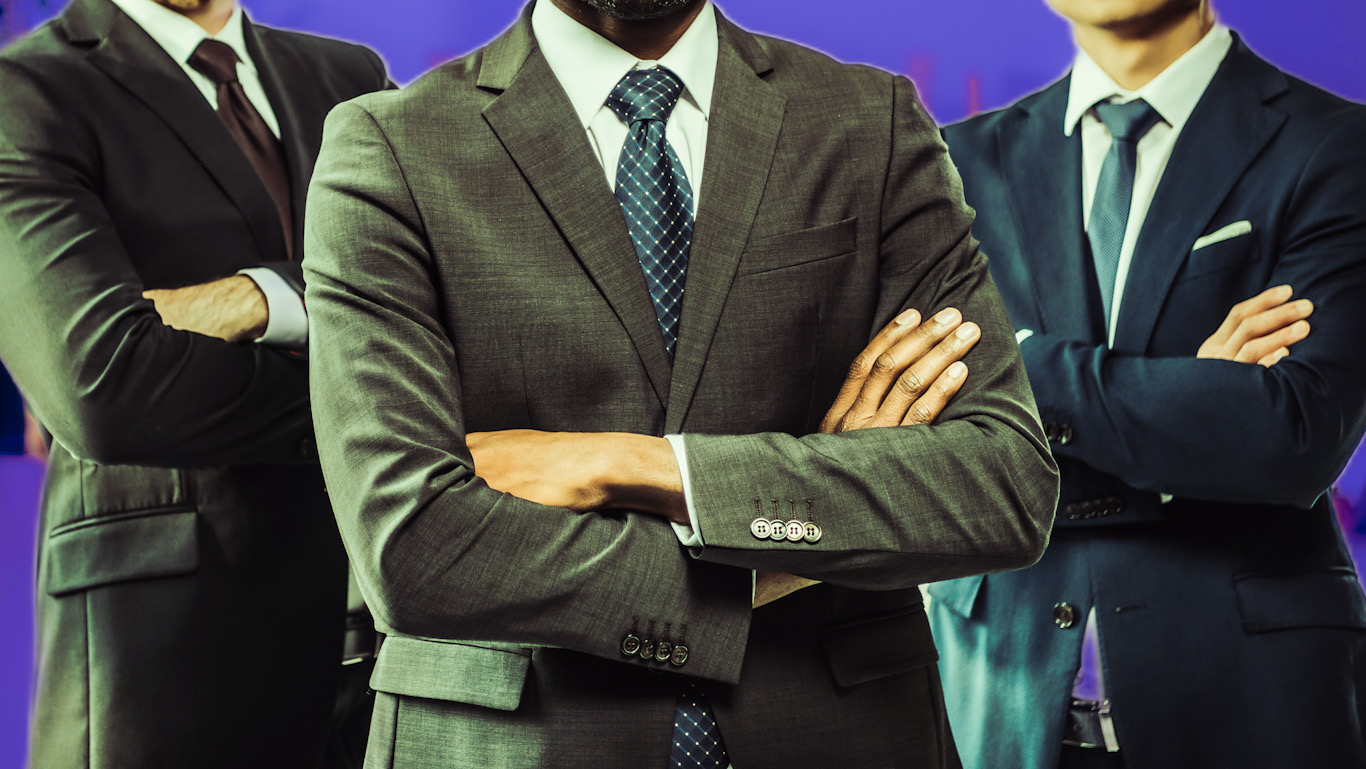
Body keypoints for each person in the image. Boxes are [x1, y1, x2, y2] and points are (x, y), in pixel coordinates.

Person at [304, 0, 1060, 766]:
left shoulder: (872, 122)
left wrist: (630, 465)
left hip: (839, 733)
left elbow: (1000, 486)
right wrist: (797, 540)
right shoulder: (390, 145)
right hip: (507, 742)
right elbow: (413, 547)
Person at [926, 1, 1366, 768]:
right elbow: (932, 436)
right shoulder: (955, 163)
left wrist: (1017, 362)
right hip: (1000, 701)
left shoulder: (1335, 144)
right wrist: (1191, 397)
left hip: (1248, 695)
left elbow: (1293, 435)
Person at [0, 0, 390, 766]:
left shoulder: (353, 77)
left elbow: (444, 299)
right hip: (163, 655)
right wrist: (373, 394)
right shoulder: (27, 90)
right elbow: (102, 384)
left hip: (382, 641)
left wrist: (264, 296)